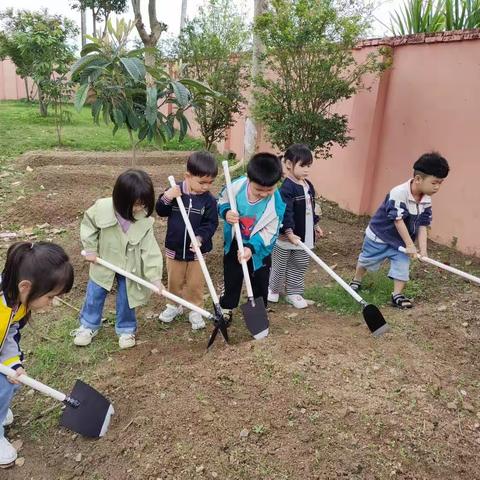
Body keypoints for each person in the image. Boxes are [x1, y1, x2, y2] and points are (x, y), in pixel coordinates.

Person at [0, 241, 74, 467]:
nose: (51, 304)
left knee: (12, 379)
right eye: (50, 297)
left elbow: (9, 332)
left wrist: (12, 362)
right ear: (25, 286)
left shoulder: (17, 303)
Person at [72, 169, 163, 349]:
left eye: (143, 204)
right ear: (121, 199)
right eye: (135, 205)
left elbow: (150, 250)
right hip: (104, 258)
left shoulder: (143, 220)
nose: (139, 209)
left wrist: (155, 278)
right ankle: (88, 325)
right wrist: (90, 248)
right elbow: (88, 225)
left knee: (127, 297)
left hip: (130, 266)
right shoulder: (102, 208)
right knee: (95, 292)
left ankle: (126, 328)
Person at [350, 152, 450, 308]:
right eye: (434, 183)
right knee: (366, 261)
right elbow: (398, 220)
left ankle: (397, 295)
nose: (437, 187)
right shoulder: (398, 193)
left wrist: (423, 250)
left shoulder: (426, 199)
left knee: (402, 265)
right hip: (379, 237)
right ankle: (356, 280)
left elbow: (423, 225)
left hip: (401, 242)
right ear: (418, 179)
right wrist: (410, 245)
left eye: (440, 183)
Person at [218, 152, 286, 323]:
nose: (264, 194)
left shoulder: (276, 204)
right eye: (259, 190)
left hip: (258, 250)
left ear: (277, 183)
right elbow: (222, 200)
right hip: (235, 241)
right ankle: (226, 307)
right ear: (248, 178)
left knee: (260, 280)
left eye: (269, 190)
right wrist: (226, 212)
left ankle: (258, 312)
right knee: (232, 276)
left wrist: (252, 248)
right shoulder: (236, 187)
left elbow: (270, 233)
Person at [156, 151, 219, 330]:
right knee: (174, 281)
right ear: (188, 176)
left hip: (196, 252)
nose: (206, 187)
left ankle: (195, 308)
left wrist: (200, 237)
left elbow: (211, 223)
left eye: (210, 183)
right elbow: (160, 210)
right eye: (202, 182)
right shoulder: (175, 190)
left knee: (195, 282)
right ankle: (173, 305)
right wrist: (167, 196)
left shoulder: (209, 201)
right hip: (174, 249)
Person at [268, 144, 323, 308]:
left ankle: (294, 292)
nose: (306, 170)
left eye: (309, 166)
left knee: (299, 264)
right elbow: (286, 212)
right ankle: (273, 289)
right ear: (289, 165)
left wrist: (315, 225)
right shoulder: (287, 188)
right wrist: (289, 232)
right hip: (286, 237)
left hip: (304, 236)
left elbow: (310, 208)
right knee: (279, 264)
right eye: (302, 166)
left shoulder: (308, 186)